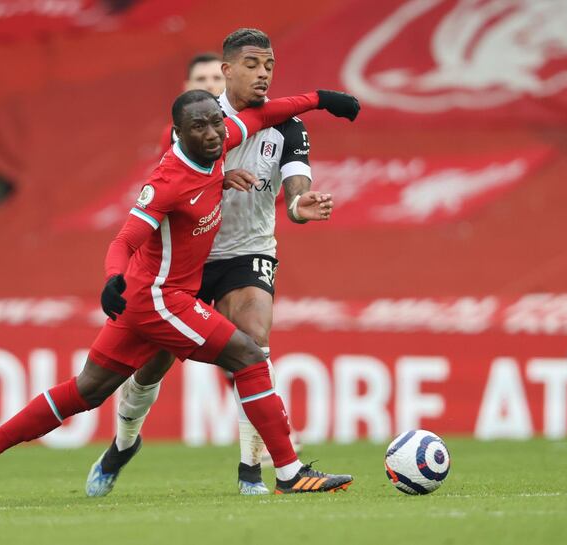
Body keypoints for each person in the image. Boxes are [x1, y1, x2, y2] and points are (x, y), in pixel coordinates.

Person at [0, 87, 360, 502]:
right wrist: (112, 279)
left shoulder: (221, 140)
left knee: (87, 390)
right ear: (178, 133)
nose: (213, 133)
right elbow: (124, 241)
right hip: (161, 297)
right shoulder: (167, 183)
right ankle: (289, 472)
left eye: (216, 122)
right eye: (199, 127)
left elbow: (268, 113)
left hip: (150, 299)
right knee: (249, 356)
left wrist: (322, 99)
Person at [87, 28, 339, 497]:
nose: (263, 74)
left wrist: (299, 206)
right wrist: (222, 179)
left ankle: (251, 471)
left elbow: (295, 188)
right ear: (224, 74)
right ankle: (123, 443)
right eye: (252, 65)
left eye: (268, 66)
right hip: (189, 259)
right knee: (152, 367)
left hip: (250, 250)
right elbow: (178, 188)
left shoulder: (288, 124)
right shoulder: (199, 124)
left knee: (254, 343)